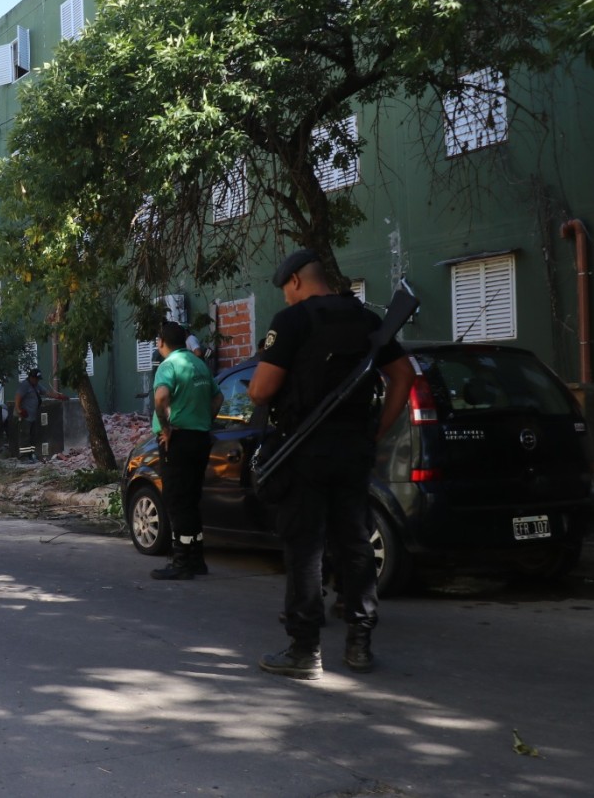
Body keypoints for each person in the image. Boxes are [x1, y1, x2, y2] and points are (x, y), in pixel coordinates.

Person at [248, 248, 414, 679]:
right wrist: (376, 430)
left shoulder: (293, 321)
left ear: (297, 281)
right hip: (353, 452)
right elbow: (404, 375)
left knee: (305, 548)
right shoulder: (365, 320)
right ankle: (360, 645)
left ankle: (305, 651)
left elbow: (260, 392)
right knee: (355, 544)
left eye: (286, 290)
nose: (285, 298)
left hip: (303, 453)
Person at [149, 321, 224, 580]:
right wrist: (205, 419)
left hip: (176, 440)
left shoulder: (168, 366)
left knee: (176, 499)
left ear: (161, 342)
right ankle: (196, 558)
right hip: (200, 437)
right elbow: (218, 397)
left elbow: (160, 398)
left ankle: (181, 561)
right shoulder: (198, 364)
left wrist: (166, 428)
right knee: (191, 499)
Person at [14, 368, 69, 462]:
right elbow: (18, 397)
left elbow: (47, 393)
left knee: (32, 437)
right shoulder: (25, 385)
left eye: (38, 379)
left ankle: (30, 455)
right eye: (36, 379)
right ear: (31, 377)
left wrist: (59, 397)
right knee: (24, 437)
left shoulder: (36, 386)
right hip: (24, 416)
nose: (37, 381)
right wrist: (19, 409)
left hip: (32, 416)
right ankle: (23, 457)